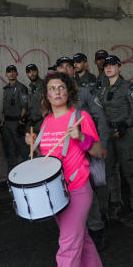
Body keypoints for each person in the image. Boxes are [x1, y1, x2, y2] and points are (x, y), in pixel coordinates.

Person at [23, 71, 107, 267]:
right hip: (55, 192)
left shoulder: (80, 117)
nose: (57, 92)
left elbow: (99, 152)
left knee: (67, 245)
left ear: (69, 92)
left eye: (61, 88)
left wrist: (81, 137)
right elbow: (46, 157)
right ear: (46, 95)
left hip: (78, 188)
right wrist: (33, 146)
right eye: (52, 89)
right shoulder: (46, 122)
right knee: (80, 236)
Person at [57, 56, 111, 248]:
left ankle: (97, 229)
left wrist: (100, 146)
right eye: (60, 67)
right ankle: (80, 228)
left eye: (67, 67)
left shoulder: (85, 93)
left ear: (73, 70)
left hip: (86, 148)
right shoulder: (54, 96)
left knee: (90, 189)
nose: (63, 70)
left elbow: (101, 119)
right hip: (65, 153)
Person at [95, 55, 133, 220]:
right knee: (109, 171)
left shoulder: (128, 86)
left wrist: (126, 124)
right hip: (108, 133)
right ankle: (116, 202)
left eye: (112, 65)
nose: (109, 68)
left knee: (130, 171)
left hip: (124, 133)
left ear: (119, 67)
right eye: (106, 65)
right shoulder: (101, 87)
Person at [0, 65, 30, 168]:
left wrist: (21, 123)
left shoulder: (21, 88)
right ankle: (12, 178)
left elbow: (24, 107)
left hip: (17, 123)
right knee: (10, 151)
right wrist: (1, 125)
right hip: (7, 124)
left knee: (23, 150)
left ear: (17, 73)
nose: (11, 73)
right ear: (6, 74)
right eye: (9, 72)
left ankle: (30, 177)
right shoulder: (6, 89)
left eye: (13, 71)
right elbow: (4, 109)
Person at [25, 63, 46, 134]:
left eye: (34, 71)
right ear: (27, 74)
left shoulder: (44, 84)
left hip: (42, 120)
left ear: (37, 71)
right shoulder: (30, 86)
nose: (32, 74)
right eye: (29, 72)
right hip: (32, 121)